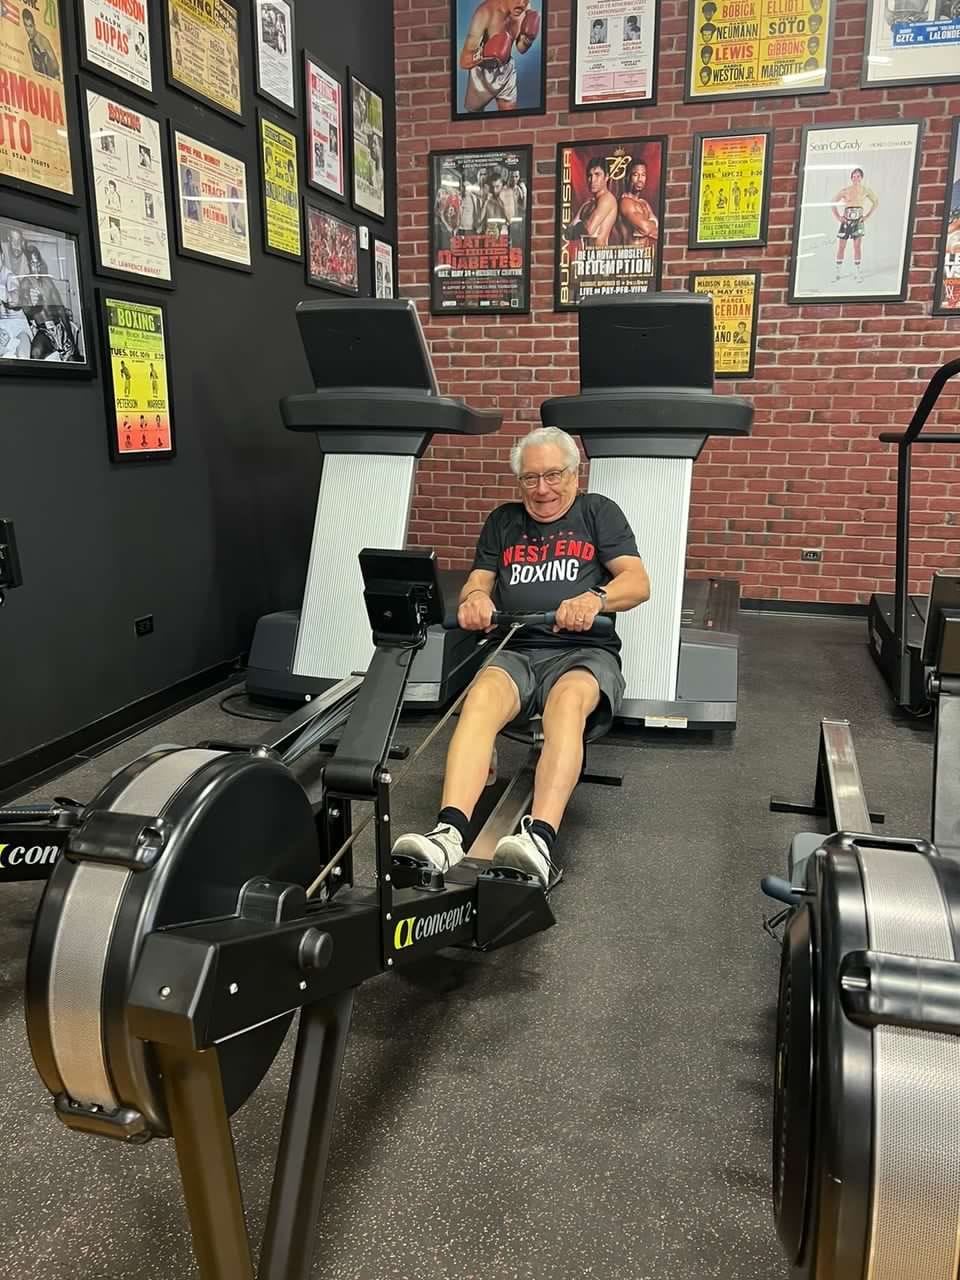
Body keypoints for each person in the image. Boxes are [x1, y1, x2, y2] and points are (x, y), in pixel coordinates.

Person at [392, 426, 649, 887]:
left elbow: (636, 581)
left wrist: (593, 599)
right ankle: (449, 833)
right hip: (515, 646)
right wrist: (474, 599)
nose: (543, 489)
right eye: (530, 479)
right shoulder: (503, 521)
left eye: (553, 475)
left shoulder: (598, 513)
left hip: (582, 652)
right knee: (480, 698)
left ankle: (539, 841)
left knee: (565, 706)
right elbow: (479, 578)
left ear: (575, 473)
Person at [459, 0, 541, 114]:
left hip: (506, 70)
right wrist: (485, 53)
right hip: (481, 73)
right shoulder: (485, 13)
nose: (522, 3)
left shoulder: (524, 8)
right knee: (474, 119)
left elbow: (521, 48)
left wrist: (528, 39)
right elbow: (464, 61)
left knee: (509, 119)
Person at [832, 166, 879, 281]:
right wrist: (838, 217)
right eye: (854, 176)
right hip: (846, 220)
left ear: (861, 177)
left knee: (857, 246)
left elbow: (876, 201)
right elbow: (833, 202)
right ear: (851, 178)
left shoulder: (866, 190)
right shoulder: (846, 190)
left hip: (858, 220)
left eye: (858, 176)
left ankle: (858, 272)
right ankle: (838, 272)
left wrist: (867, 216)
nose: (856, 178)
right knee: (841, 246)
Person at [563, 155, 618, 247]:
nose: (592, 180)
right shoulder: (587, 204)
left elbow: (589, 229)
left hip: (600, 257)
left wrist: (576, 228)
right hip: (585, 256)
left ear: (606, 177)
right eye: (590, 175)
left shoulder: (607, 199)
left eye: (597, 174)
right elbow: (567, 234)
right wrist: (577, 228)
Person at [619, 159, 659, 253]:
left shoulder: (644, 203)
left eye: (643, 175)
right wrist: (653, 225)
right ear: (628, 177)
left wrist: (651, 227)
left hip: (645, 257)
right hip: (630, 257)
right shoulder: (625, 202)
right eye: (635, 175)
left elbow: (659, 233)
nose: (640, 179)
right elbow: (645, 229)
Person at [22, 9, 59, 78]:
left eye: (30, 26)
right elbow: (35, 67)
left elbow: (55, 66)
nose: (28, 30)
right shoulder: (29, 44)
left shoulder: (43, 40)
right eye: (26, 25)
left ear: (34, 25)